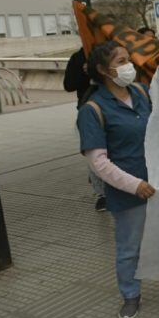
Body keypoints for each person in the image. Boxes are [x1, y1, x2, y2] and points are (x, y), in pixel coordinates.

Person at [77, 41, 159, 318]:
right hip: (129, 193)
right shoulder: (92, 110)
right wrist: (135, 185)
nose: (128, 66)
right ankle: (130, 294)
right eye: (120, 61)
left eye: (128, 59)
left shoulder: (141, 92)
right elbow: (98, 162)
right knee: (129, 247)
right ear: (104, 71)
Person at [64, 47, 106, 212]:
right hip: (90, 108)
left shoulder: (113, 49)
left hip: (115, 107)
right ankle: (101, 193)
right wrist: (86, 74)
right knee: (95, 151)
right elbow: (68, 85)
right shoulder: (78, 57)